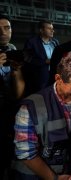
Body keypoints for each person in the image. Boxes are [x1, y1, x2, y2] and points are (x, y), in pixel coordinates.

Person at [13, 51, 71, 180]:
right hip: (32, 176)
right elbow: (26, 154)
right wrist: (54, 178)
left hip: (69, 172)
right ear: (58, 79)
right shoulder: (30, 108)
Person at [0, 14, 25, 179]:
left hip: (10, 114)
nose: (3, 32)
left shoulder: (12, 50)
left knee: (10, 158)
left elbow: (19, 93)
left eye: (7, 27)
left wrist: (16, 71)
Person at [23, 20, 59, 95]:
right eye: (49, 28)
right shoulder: (32, 42)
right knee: (40, 97)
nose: (52, 30)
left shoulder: (55, 42)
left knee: (53, 95)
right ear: (41, 30)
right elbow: (27, 59)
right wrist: (45, 61)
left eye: (52, 28)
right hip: (39, 77)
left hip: (54, 75)